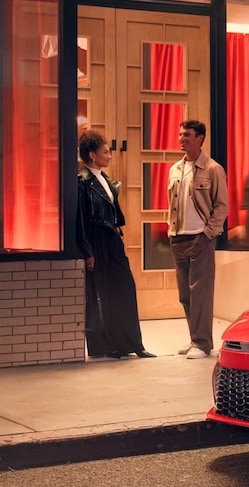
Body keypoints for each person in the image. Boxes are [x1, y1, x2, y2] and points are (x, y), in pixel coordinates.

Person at [76, 130, 155, 359]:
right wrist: (87, 252)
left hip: (111, 238)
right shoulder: (82, 183)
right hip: (95, 240)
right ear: (92, 155)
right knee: (100, 293)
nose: (109, 155)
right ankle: (104, 346)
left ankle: (132, 343)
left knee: (124, 287)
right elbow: (80, 221)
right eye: (105, 151)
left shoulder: (107, 181)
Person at [167, 119, 229, 359]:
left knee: (200, 293)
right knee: (185, 294)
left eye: (187, 135)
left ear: (200, 138)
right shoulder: (175, 169)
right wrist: (170, 228)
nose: (181, 138)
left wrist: (208, 233)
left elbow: (222, 206)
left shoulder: (213, 169)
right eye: (180, 134)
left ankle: (203, 343)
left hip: (200, 238)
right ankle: (195, 338)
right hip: (177, 237)